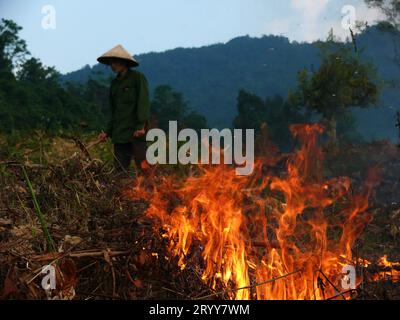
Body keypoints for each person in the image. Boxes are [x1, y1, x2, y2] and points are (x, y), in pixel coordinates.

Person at [97, 44, 151, 177]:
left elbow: (143, 102)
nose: (112, 65)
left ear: (124, 62)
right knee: (119, 172)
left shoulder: (137, 78)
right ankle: (121, 196)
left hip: (136, 133)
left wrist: (141, 126)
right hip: (119, 134)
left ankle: (148, 195)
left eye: (115, 62)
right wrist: (107, 132)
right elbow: (114, 111)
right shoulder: (114, 84)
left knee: (143, 168)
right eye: (111, 62)